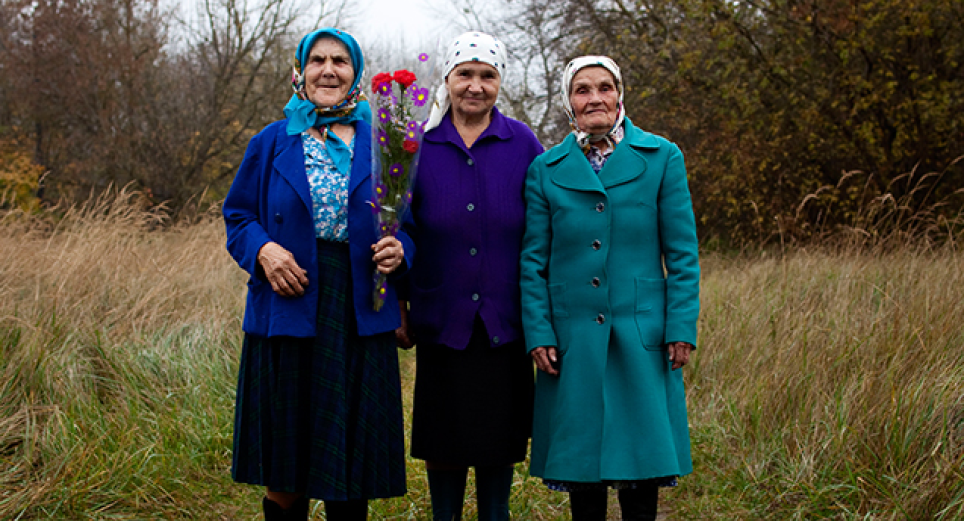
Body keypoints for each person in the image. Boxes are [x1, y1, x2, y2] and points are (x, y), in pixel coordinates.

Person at [222, 27, 412, 521]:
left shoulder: (385, 145)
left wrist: (401, 249)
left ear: (356, 75)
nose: (328, 70)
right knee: (287, 469)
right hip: (289, 306)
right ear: (300, 73)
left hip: (358, 312)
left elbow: (413, 224)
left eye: (340, 61)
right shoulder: (271, 142)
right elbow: (239, 217)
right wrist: (264, 251)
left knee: (351, 469)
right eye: (318, 61)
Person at [520, 55, 700, 521]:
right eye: (582, 89)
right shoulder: (546, 167)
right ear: (569, 101)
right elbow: (533, 260)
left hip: (643, 337)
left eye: (604, 87)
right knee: (585, 470)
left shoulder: (662, 157)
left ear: (619, 94)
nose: (594, 97)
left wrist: (681, 326)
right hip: (573, 338)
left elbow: (681, 254)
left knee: (640, 467)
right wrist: (539, 332)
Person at [395, 31, 544, 521]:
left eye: (487, 75)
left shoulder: (522, 143)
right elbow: (399, 229)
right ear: (448, 80)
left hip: (504, 321)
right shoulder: (418, 145)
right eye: (465, 74)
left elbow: (544, 223)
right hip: (443, 319)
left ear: (500, 82)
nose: (475, 86)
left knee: (497, 445)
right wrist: (398, 302)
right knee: (446, 442)